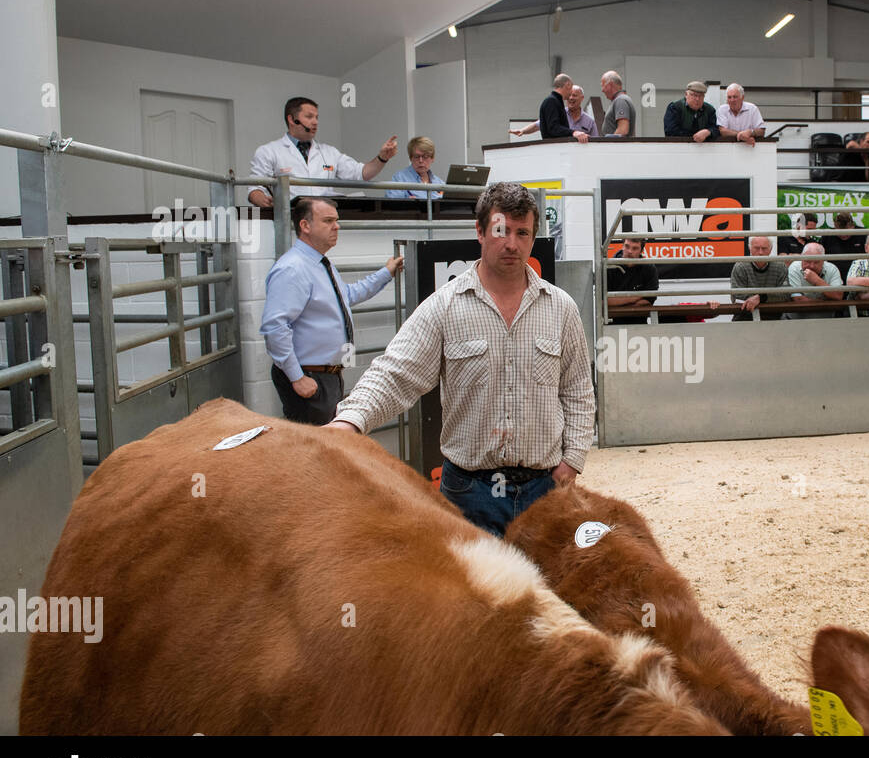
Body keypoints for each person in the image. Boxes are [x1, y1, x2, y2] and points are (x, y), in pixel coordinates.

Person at [326, 182, 595, 537]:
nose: (511, 243)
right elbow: (396, 373)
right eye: (501, 231)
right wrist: (350, 421)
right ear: (480, 232)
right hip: (469, 494)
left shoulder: (561, 308)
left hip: (543, 489)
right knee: (474, 592)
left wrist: (571, 460)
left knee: (542, 588)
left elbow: (577, 389)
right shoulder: (446, 306)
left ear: (533, 238)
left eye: (522, 232)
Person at [259, 197, 403, 424]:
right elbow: (275, 326)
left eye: (336, 220)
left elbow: (348, 295)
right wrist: (297, 378)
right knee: (312, 451)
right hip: (309, 378)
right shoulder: (292, 268)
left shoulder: (319, 264)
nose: (337, 226)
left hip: (326, 377)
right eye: (328, 221)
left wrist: (386, 273)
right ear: (305, 226)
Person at [248, 97, 398, 208]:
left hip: (323, 218)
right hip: (290, 219)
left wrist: (382, 158)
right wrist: (261, 199)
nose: (315, 122)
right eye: (309, 117)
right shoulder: (268, 151)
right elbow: (255, 188)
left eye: (317, 117)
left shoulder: (329, 152)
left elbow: (361, 173)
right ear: (292, 120)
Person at [515, 79, 597, 142]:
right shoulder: (558, 112)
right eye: (569, 95)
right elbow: (537, 125)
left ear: (582, 98)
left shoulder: (590, 121)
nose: (571, 98)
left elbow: (596, 141)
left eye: (574, 95)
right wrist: (522, 131)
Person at [730, 235, 787, 321]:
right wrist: (767, 297)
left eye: (764, 248)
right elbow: (736, 296)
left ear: (770, 250)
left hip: (774, 318)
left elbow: (785, 294)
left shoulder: (780, 266)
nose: (760, 252)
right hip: (745, 318)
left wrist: (760, 298)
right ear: (750, 249)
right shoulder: (740, 266)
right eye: (756, 248)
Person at [605, 236, 658, 324]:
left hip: (639, 324)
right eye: (627, 246)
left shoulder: (649, 268)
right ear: (622, 246)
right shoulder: (609, 267)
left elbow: (649, 301)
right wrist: (636, 297)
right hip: (612, 324)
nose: (630, 251)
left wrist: (618, 302)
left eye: (635, 248)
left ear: (641, 251)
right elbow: (603, 302)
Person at [783, 244, 843, 319]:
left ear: (824, 261)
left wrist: (817, 281)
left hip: (826, 319)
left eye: (816, 262)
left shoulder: (832, 269)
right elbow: (798, 299)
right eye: (807, 261)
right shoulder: (794, 268)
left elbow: (838, 296)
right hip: (798, 318)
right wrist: (825, 301)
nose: (811, 266)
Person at [820, 212, 865, 281]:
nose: (843, 235)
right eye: (840, 232)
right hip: (833, 278)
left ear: (853, 226)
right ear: (835, 227)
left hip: (858, 277)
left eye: (847, 232)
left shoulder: (862, 234)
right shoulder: (827, 236)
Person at [600, 70, 637, 137]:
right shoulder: (620, 100)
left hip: (617, 147)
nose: (602, 90)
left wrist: (609, 143)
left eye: (603, 85)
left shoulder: (620, 101)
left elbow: (622, 130)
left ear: (610, 85)